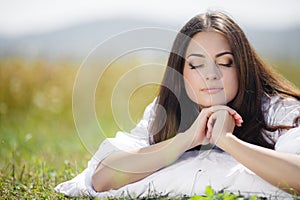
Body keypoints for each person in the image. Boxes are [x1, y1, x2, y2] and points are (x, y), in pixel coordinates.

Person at [55, 11, 300, 198]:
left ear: (243, 68)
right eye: (196, 65)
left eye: (225, 62)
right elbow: (103, 178)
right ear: (181, 73)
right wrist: (188, 138)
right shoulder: (164, 111)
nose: (211, 74)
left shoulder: (280, 110)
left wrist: (226, 140)